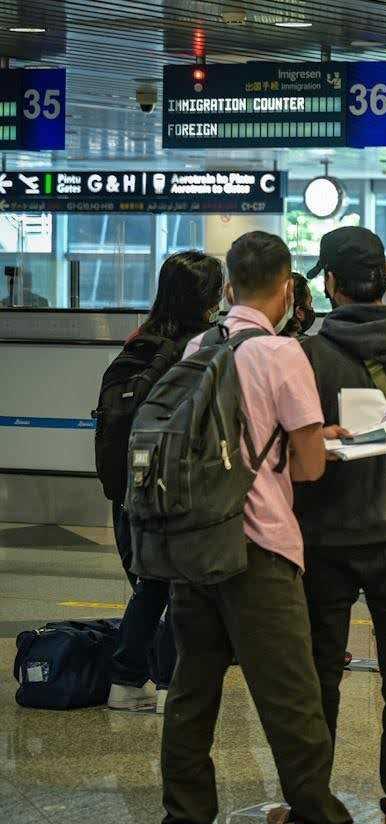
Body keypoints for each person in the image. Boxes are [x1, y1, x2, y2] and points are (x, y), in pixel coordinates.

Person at [164, 231, 383, 824]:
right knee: (291, 697)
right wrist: (312, 440)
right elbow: (311, 467)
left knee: (192, 691)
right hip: (258, 548)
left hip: (194, 542)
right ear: (287, 288)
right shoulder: (282, 352)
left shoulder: (198, 345)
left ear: (228, 287)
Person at [262, 229, 386, 824]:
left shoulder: (302, 353)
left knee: (318, 671)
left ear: (330, 284)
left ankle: (307, 808)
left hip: (321, 540)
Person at [106, 251, 223, 714]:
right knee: (179, 586)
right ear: (210, 296)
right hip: (175, 486)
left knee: (153, 584)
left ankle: (131, 677)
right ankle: (166, 681)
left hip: (130, 486)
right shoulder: (198, 347)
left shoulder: (141, 339)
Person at [281, 272, 318, 337]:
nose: (312, 309)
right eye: (309, 304)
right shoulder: (311, 345)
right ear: (299, 313)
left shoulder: (262, 339)